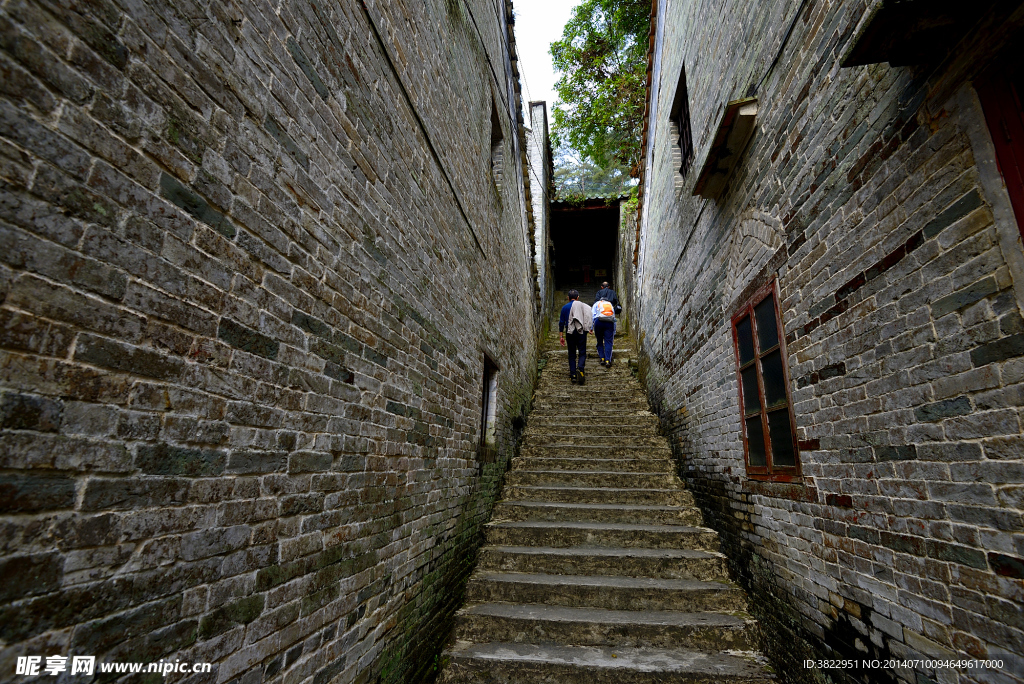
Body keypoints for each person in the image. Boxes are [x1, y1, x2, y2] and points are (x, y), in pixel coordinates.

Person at [558, 290, 593, 384]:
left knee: (572, 354)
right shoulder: (583, 306)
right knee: (582, 352)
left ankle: (573, 375)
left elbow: (561, 323)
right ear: (578, 297)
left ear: (568, 298)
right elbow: (588, 317)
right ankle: (580, 369)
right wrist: (589, 328)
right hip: (581, 332)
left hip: (570, 333)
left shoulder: (565, 307)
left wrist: (561, 336)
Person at [592, 297, 616, 367]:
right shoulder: (610, 305)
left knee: (599, 341)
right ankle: (607, 360)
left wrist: (591, 327)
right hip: (609, 323)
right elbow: (613, 318)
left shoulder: (597, 304)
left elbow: (592, 316)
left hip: (598, 322)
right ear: (607, 300)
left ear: (601, 300)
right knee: (608, 342)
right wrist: (614, 330)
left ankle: (602, 358)